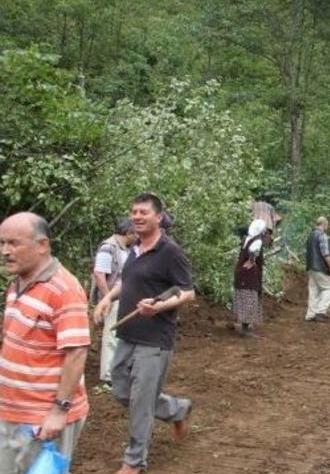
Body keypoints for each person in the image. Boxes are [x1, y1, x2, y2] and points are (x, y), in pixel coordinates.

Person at [93, 193, 195, 474]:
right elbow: (127, 280)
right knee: (121, 390)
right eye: (134, 212)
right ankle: (176, 409)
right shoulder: (135, 249)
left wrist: (160, 305)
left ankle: (134, 461)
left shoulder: (170, 252)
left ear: (158, 217)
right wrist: (106, 299)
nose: (137, 216)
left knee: (140, 401)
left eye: (143, 212)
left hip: (155, 339)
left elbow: (187, 293)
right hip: (128, 333)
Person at [0, 213, 90, 473]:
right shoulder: (18, 284)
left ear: (43, 245)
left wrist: (59, 411)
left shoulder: (65, 289)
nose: (5, 251)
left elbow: (77, 352)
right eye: (2, 243)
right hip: (12, 408)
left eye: (14, 243)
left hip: (41, 416)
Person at [92, 218, 137, 386]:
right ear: (128, 233)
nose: (137, 237)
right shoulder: (108, 247)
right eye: (135, 234)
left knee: (123, 334)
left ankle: (120, 371)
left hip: (125, 297)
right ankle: (108, 376)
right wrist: (107, 298)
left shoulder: (126, 248)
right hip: (113, 297)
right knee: (111, 335)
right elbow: (99, 274)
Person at [233, 219, 266, 337]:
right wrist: (252, 261)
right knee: (249, 298)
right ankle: (245, 329)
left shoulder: (248, 238)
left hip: (241, 273)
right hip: (248, 274)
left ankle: (244, 326)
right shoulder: (257, 240)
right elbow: (253, 250)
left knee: (245, 297)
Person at [305, 216, 330, 322]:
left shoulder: (310, 235)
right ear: (324, 224)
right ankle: (320, 311)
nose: (327, 226)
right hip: (319, 267)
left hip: (310, 267)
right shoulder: (322, 235)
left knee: (314, 290)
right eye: (327, 224)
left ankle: (310, 314)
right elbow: (325, 253)